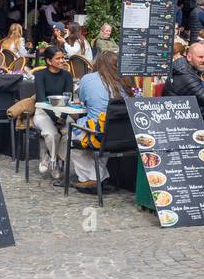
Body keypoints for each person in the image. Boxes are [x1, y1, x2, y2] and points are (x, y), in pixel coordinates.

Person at [70, 50, 131, 192]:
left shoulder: (88, 79)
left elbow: (83, 101)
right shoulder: (125, 81)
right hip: (122, 134)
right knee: (102, 145)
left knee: (71, 137)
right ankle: (95, 177)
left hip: (97, 133)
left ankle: (90, 179)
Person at [33, 46, 75, 178]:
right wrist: (54, 119)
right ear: (49, 61)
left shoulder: (67, 75)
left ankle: (52, 156)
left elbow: (69, 98)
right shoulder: (40, 75)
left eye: (63, 57)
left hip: (63, 112)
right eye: (58, 58)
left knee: (71, 133)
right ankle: (54, 163)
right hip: (44, 112)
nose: (62, 60)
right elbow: (41, 99)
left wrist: (62, 117)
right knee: (52, 135)